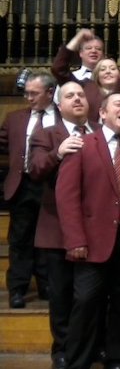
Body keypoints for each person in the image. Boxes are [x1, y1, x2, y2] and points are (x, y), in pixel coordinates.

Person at [55, 92, 120, 369]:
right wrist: (75, 239)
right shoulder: (82, 146)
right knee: (85, 305)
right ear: (102, 113)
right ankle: (77, 364)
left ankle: (117, 360)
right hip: (90, 241)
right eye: (119, 104)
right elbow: (67, 196)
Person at [28, 81, 100, 369]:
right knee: (61, 296)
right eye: (70, 96)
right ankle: (61, 352)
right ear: (59, 104)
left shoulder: (98, 131)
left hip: (94, 229)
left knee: (90, 296)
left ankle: (87, 348)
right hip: (56, 230)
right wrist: (58, 153)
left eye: (81, 94)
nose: (77, 99)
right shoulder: (47, 134)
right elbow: (33, 171)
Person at [0, 73, 58, 308]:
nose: (28, 97)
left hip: (52, 186)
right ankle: (18, 288)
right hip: (23, 186)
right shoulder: (14, 119)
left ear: (50, 93)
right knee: (20, 239)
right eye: (27, 93)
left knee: (48, 239)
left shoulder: (62, 118)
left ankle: (46, 285)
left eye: (34, 93)